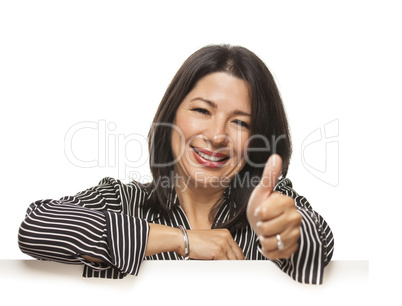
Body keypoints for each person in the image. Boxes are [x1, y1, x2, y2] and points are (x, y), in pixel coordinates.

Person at [18, 44, 334, 284]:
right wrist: (184, 240)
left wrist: (286, 235)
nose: (217, 135)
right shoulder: (123, 202)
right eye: (202, 111)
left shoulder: (269, 205)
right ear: (171, 117)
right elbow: (36, 227)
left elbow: (315, 242)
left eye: (239, 122)